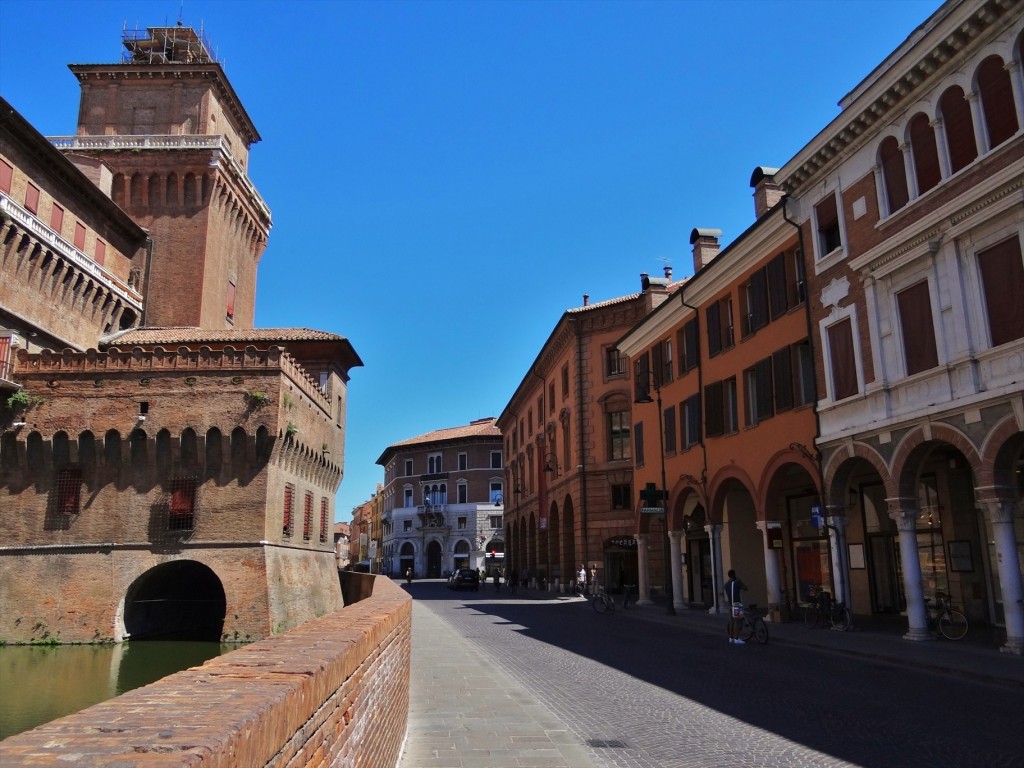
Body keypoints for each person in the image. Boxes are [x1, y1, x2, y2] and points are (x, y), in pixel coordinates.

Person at [724, 569, 748, 644]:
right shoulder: (737, 582)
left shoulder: (726, 584)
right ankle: (737, 638)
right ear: (734, 575)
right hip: (737, 603)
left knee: (731, 622)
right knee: (737, 621)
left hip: (730, 604)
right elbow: (746, 588)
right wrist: (740, 581)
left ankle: (731, 637)